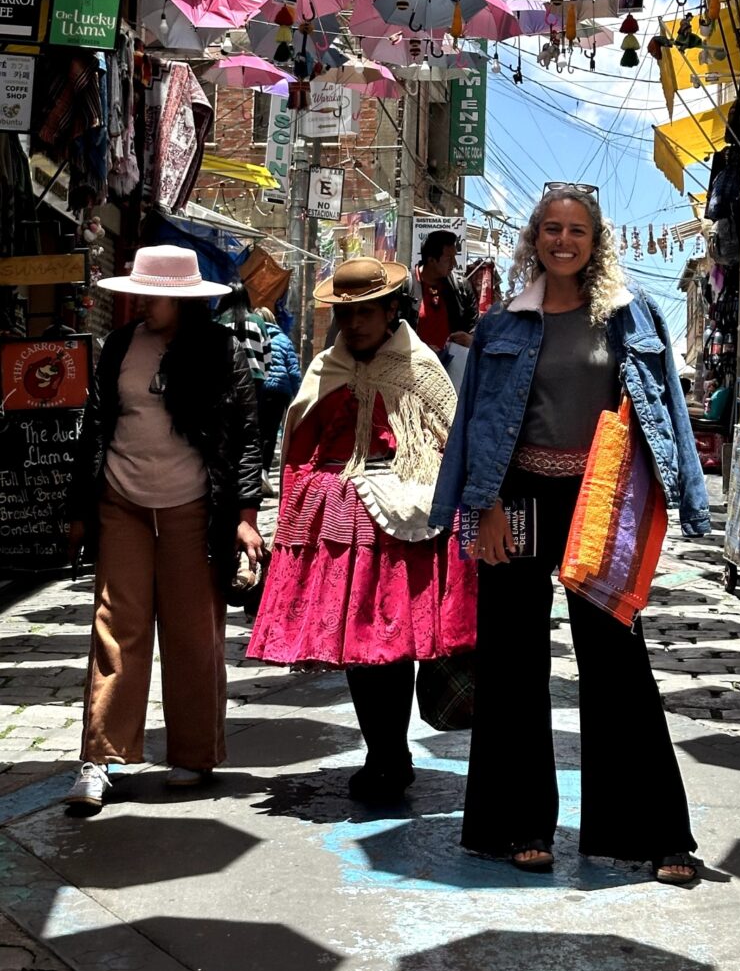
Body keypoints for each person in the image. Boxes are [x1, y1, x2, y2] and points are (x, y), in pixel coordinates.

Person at [430, 185, 709, 881]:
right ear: (534, 238)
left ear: (595, 240)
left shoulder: (630, 316)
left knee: (616, 661)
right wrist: (478, 507)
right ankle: (517, 828)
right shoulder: (501, 326)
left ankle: (649, 834)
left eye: (576, 230)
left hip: (601, 503)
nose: (563, 240)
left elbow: (667, 410)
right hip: (518, 500)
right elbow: (475, 427)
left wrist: (683, 504)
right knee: (513, 664)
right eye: (551, 228)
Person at [248, 257, 476, 803]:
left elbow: (449, 442)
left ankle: (389, 755)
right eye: (346, 314)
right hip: (341, 523)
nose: (354, 325)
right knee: (358, 648)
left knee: (394, 644)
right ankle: (384, 753)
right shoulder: (327, 367)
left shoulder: (420, 369)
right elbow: (300, 442)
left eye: (365, 314)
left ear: (391, 310)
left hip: (406, 526)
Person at [64, 246, 263, 815]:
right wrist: (82, 509)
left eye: (154, 295)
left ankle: (195, 753)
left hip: (193, 508)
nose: (144, 303)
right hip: (122, 502)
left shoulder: (221, 353)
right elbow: (96, 426)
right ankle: (99, 758)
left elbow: (246, 434)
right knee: (114, 625)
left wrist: (245, 516)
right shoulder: (121, 346)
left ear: (183, 301)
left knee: (193, 630)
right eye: (143, 292)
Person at [400, 231, 479, 351]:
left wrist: (470, 339)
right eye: (448, 259)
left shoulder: (462, 288)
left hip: (452, 366)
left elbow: (475, 326)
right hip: (413, 365)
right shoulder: (405, 287)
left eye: (455, 257)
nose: (454, 264)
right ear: (431, 260)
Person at [257, 307, 302, 492]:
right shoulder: (284, 340)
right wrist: (297, 393)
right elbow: (293, 369)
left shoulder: (253, 337)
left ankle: (254, 472)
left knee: (256, 432)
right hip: (279, 392)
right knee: (270, 433)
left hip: (258, 388)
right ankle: (264, 472)